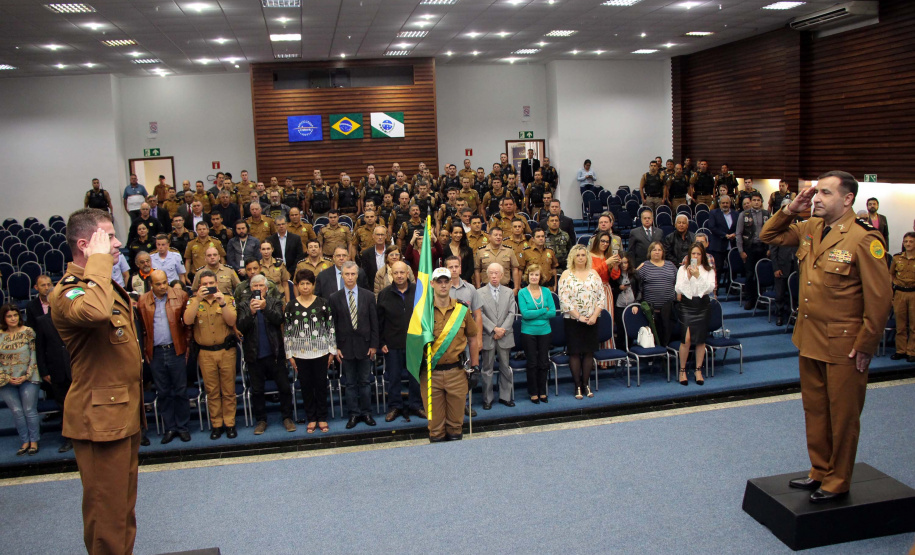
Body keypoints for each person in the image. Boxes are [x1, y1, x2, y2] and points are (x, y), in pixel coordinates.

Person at [760, 170, 892, 503]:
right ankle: (819, 469)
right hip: (810, 338)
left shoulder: (864, 239)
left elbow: (880, 299)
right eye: (816, 192)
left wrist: (866, 345)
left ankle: (838, 479)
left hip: (845, 345)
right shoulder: (811, 227)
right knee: (815, 410)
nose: (816, 198)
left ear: (848, 199)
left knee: (843, 415)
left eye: (825, 193)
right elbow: (769, 235)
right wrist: (792, 208)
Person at [49, 208, 142, 554]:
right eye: (109, 237)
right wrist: (99, 263)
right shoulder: (69, 291)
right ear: (86, 245)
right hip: (100, 419)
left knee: (122, 511)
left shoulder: (99, 285)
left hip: (121, 414)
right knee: (106, 517)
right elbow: (96, 313)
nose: (118, 243)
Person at [422, 267, 480, 442]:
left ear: (450, 283)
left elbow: (472, 338)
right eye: (439, 281)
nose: (443, 285)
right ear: (432, 284)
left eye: (446, 281)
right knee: (435, 429)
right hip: (431, 374)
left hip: (457, 373)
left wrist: (475, 366)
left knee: (456, 427)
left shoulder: (462, 310)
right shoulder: (423, 313)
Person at [236, 274, 296, 435]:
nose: (257, 289)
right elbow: (241, 326)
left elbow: (279, 319)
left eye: (260, 286)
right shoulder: (243, 305)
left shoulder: (274, 302)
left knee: (284, 387)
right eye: (254, 286)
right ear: (250, 288)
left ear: (266, 288)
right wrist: (251, 312)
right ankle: (261, 420)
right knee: (257, 391)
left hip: (275, 354)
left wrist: (264, 308)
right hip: (254, 355)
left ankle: (287, 417)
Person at [184, 270, 239, 440]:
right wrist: (198, 300)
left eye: (211, 283)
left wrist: (222, 304)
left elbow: (232, 321)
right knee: (212, 391)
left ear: (217, 283)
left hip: (226, 351)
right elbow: (187, 321)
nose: (208, 286)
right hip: (205, 353)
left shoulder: (227, 299)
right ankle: (216, 425)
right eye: (205, 284)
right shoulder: (193, 301)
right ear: (200, 286)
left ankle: (230, 423)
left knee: (228, 390)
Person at [137, 270, 190, 444]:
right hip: (156, 352)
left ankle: (182, 427)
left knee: (180, 391)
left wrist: (186, 346)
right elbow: (143, 330)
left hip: (176, 350)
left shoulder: (180, 296)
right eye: (158, 284)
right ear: (151, 285)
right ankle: (170, 428)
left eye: (164, 282)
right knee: (164, 392)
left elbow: (188, 324)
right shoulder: (143, 301)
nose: (162, 287)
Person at [328, 261, 379, 429]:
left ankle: (366, 413)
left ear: (357, 275)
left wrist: (373, 345)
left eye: (353, 274)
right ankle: (353, 414)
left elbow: (374, 322)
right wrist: (335, 348)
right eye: (346, 274)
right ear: (342, 276)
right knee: (350, 384)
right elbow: (332, 325)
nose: (350, 277)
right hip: (345, 348)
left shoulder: (368, 296)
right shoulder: (334, 298)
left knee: (365, 382)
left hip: (365, 347)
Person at [284, 269, 335, 433]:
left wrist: (332, 350)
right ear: (297, 286)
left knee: (321, 385)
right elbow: (287, 331)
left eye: (308, 283)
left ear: (313, 285)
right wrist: (289, 354)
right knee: (306, 386)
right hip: (300, 354)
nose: (305, 287)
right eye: (302, 284)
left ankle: (322, 417)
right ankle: (311, 418)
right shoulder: (291, 306)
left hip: (321, 352)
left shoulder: (323, 303)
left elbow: (330, 328)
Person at [376, 261, 425, 422]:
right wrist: (381, 342)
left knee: (415, 377)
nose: (399, 275)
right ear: (391, 274)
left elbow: (425, 317)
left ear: (407, 273)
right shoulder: (384, 294)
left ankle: (416, 405)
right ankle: (395, 406)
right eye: (395, 273)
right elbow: (379, 321)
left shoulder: (419, 292)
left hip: (414, 343)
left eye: (402, 272)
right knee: (394, 377)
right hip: (392, 344)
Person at [559, 245, 605, 399]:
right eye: (577, 255)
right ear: (572, 257)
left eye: (583, 255)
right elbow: (563, 300)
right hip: (573, 320)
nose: (580, 257)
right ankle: (577, 385)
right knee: (575, 352)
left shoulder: (594, 274)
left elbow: (601, 297)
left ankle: (586, 384)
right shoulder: (566, 274)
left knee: (588, 352)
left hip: (592, 320)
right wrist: (578, 316)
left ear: (587, 257)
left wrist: (594, 315)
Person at [0, 303, 40, 455]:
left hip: (28, 378)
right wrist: (7, 378)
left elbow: (33, 355)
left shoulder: (28, 332)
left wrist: (26, 375)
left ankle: (34, 441)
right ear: (4, 318)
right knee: (17, 411)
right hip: (6, 381)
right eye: (9, 316)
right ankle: (24, 441)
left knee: (29, 410)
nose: (13, 318)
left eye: (15, 315)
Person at [674, 243, 716, 386]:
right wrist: (688, 276)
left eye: (698, 254)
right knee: (686, 339)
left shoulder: (708, 270)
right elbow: (678, 288)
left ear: (702, 255)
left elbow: (709, 288)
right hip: (687, 305)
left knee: (700, 339)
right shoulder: (682, 269)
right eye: (693, 254)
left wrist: (698, 276)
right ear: (689, 255)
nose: (696, 256)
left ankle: (698, 370)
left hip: (702, 305)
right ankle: (682, 370)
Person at [476, 263, 516, 410]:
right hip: (488, 335)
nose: (493, 276)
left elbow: (512, 313)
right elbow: (479, 314)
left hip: (505, 335)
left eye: (496, 273)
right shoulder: (479, 292)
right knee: (487, 369)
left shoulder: (509, 292)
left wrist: (502, 330)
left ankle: (505, 396)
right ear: (487, 275)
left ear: (501, 275)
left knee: (505, 367)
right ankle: (487, 399)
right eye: (491, 273)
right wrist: (493, 329)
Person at [518, 264, 555, 404]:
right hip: (528, 332)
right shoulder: (522, 293)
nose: (534, 277)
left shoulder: (546, 292)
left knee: (543, 362)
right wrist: (543, 311)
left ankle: (543, 391)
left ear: (541, 277)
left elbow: (553, 312)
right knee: (532, 363)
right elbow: (525, 314)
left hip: (545, 331)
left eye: (536, 274)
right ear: (527, 276)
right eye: (531, 274)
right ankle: (533, 392)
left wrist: (541, 313)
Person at [637, 241, 678, 346]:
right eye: (654, 250)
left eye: (659, 250)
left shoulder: (670, 265)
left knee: (668, 337)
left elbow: (677, 282)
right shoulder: (644, 266)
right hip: (652, 311)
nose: (657, 252)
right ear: (650, 252)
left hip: (668, 310)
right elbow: (635, 283)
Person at [735, 192, 770, 310]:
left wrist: (770, 248)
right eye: (754, 200)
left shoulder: (767, 214)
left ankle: (760, 299)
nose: (756, 202)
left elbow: (771, 232)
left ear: (761, 202)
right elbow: (738, 234)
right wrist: (741, 251)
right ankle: (750, 299)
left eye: (758, 200)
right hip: (749, 248)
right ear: (751, 202)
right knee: (750, 275)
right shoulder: (744, 214)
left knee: (761, 274)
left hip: (763, 248)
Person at [890, 232, 915, 362]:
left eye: (911, 241)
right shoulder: (897, 258)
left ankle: (912, 351)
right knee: (900, 325)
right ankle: (901, 350)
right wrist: (894, 284)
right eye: (906, 241)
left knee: (913, 325)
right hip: (899, 293)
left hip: (914, 294)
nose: (908, 244)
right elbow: (891, 274)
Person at [706, 195, 738, 287]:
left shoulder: (736, 214)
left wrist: (735, 234)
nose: (725, 205)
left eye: (727, 203)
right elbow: (712, 227)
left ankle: (731, 288)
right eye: (723, 203)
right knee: (718, 268)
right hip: (718, 245)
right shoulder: (713, 213)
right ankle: (716, 289)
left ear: (730, 203)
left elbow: (739, 227)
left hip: (732, 245)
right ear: (719, 204)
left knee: (732, 268)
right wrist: (725, 235)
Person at [770, 239, 798, 327]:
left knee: (794, 294)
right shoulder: (779, 232)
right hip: (781, 267)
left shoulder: (798, 229)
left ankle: (792, 315)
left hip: (795, 267)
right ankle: (779, 315)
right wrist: (776, 268)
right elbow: (773, 252)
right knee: (780, 294)